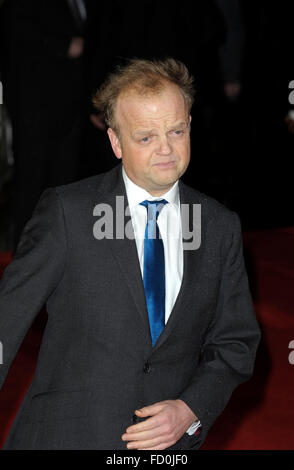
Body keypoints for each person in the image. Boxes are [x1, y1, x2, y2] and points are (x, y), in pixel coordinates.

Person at [0, 58, 261, 450]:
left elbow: (236, 342)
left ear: (190, 125)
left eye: (176, 131)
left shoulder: (219, 227)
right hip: (66, 437)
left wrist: (191, 408)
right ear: (116, 143)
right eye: (145, 137)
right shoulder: (68, 213)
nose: (166, 149)